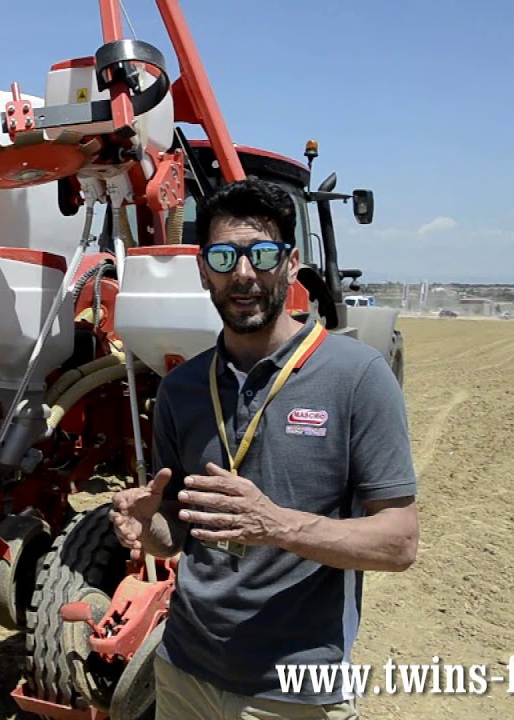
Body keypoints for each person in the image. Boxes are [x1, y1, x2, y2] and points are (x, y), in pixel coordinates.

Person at [110, 177, 419, 720]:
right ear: (203, 269)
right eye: (225, 257)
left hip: (293, 688)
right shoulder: (181, 390)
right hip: (183, 670)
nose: (244, 274)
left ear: (292, 262)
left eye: (263, 254)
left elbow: (399, 544)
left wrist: (274, 525)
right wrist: (148, 530)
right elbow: (177, 537)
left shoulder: (357, 377)